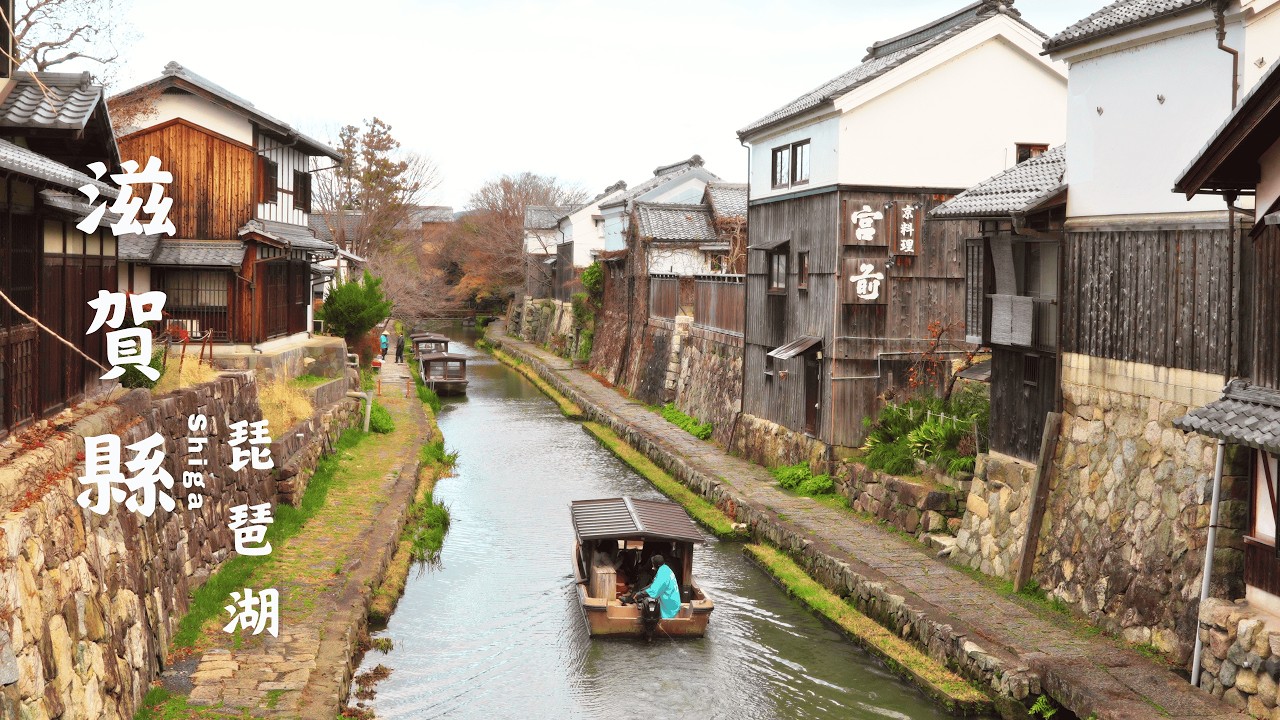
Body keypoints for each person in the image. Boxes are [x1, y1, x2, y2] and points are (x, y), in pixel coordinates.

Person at [640, 554, 681, 620]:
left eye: (653, 564)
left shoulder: (663, 573)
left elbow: (654, 590)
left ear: (656, 565)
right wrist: (641, 590)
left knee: (649, 601)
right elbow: (654, 584)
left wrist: (640, 594)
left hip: (670, 604)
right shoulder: (665, 568)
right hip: (672, 599)